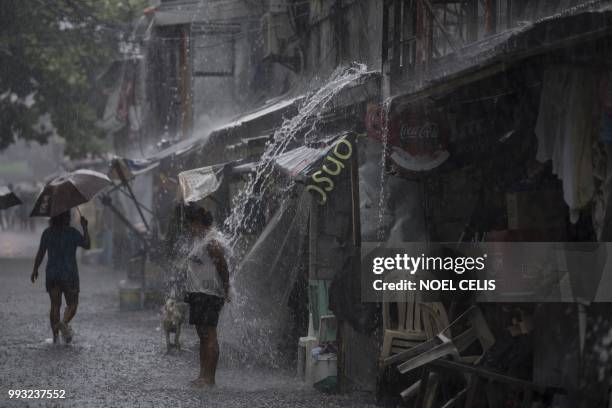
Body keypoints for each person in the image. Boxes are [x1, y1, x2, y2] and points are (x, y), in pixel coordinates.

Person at [183, 204, 230, 387]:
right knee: (202, 335)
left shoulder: (212, 242)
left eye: (191, 224)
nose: (189, 228)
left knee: (209, 335)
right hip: (197, 292)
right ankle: (202, 375)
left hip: (209, 293)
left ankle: (210, 378)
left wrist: (226, 289)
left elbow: (223, 267)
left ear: (198, 222)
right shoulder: (199, 238)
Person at [31, 210, 90, 344]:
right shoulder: (72, 233)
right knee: (73, 304)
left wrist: (35, 269)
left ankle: (55, 337)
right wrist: (85, 226)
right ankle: (64, 322)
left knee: (55, 305)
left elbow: (41, 253)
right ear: (67, 217)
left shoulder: (48, 233)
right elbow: (87, 245)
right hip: (69, 274)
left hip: (52, 274)